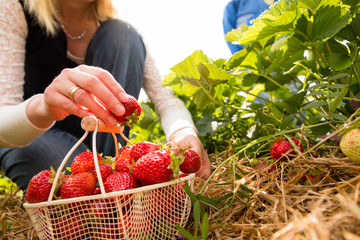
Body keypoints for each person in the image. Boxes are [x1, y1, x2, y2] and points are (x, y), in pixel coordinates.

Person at [0, 0, 211, 190]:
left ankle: (110, 178)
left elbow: (166, 100)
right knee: (64, 175)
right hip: (31, 136)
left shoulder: (121, 25)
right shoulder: (14, 7)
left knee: (123, 34)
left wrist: (183, 132)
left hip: (102, 147)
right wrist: (44, 108)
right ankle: (108, 189)